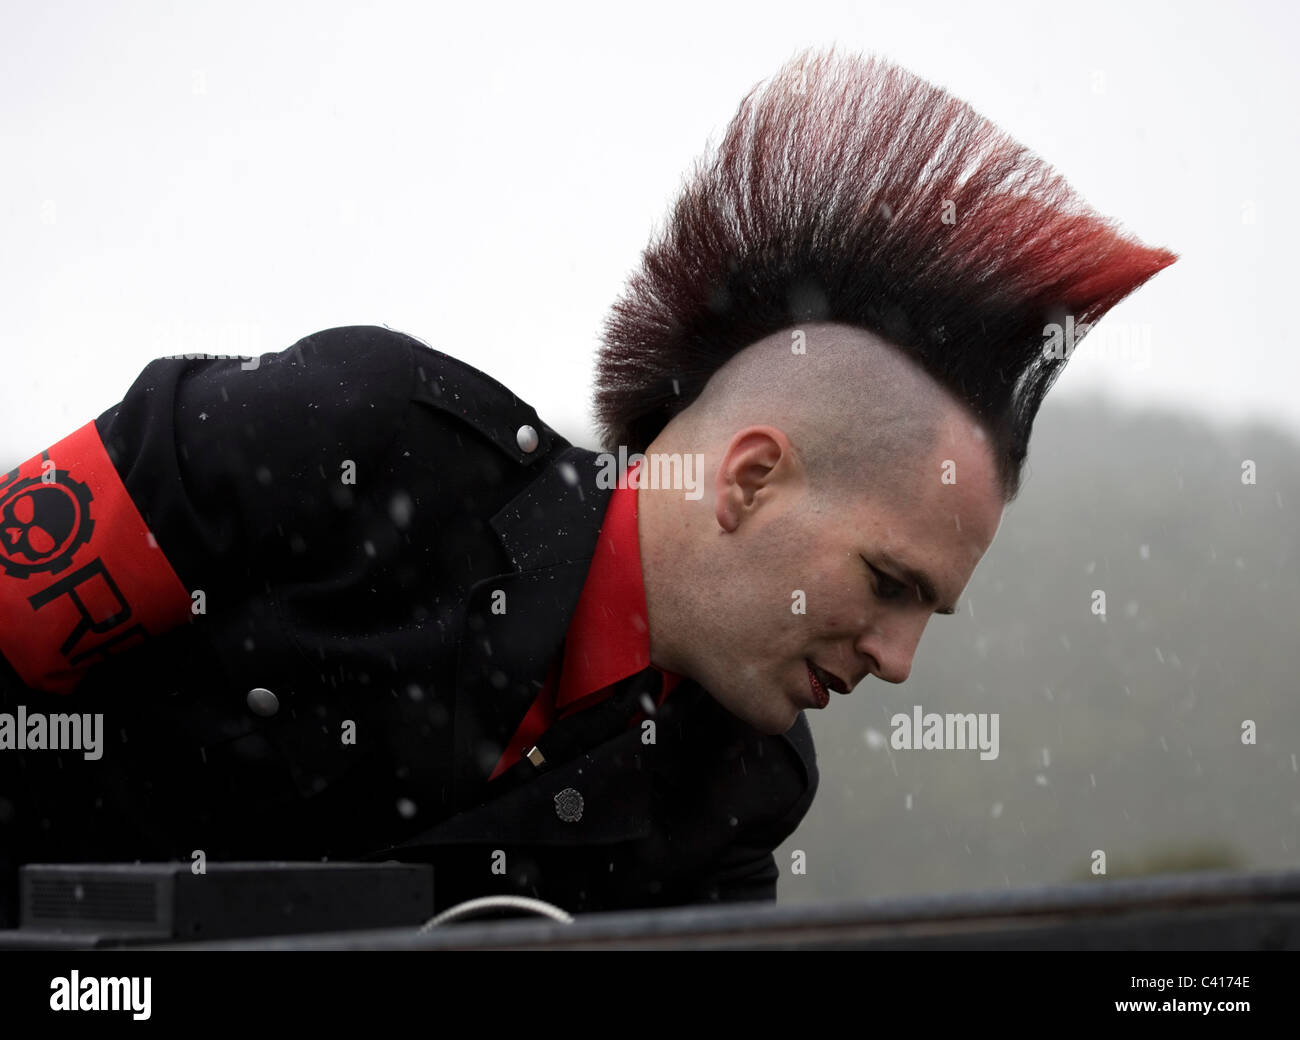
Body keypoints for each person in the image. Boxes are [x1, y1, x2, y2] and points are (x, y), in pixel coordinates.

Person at [0, 45, 1175, 926]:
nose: (901, 658)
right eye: (887, 580)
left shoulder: (743, 785)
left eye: (928, 609)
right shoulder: (348, 439)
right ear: (753, 478)